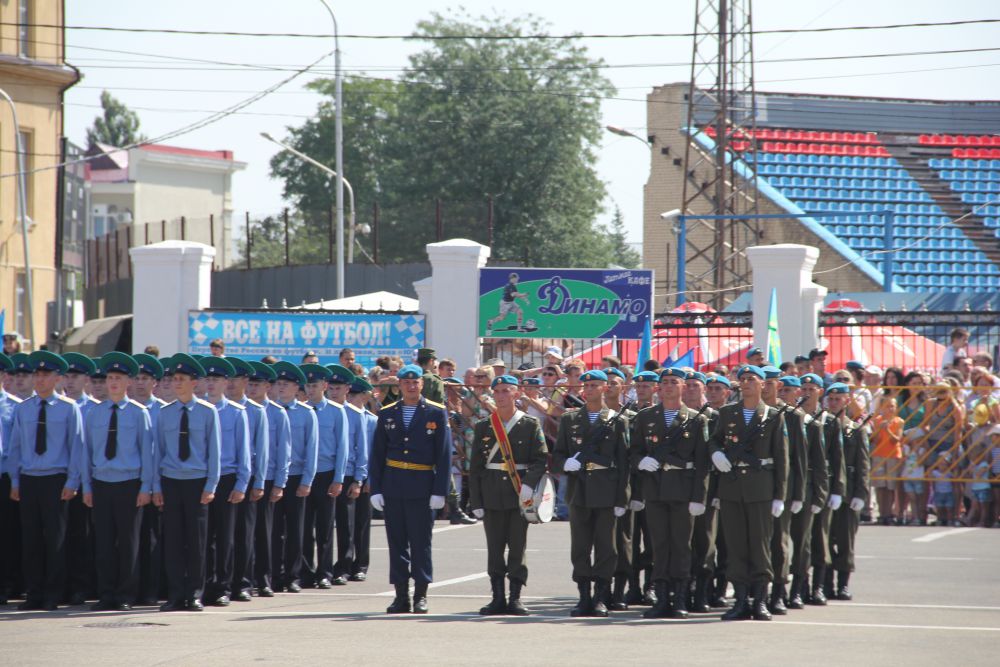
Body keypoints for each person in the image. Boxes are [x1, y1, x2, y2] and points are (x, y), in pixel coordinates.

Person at [369, 364, 452, 614]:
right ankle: (401, 595)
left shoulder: (436, 412)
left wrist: (440, 491)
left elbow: (444, 455)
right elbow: (378, 454)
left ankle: (421, 595)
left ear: (422, 385)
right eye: (406, 382)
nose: (411, 385)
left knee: (420, 543)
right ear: (400, 385)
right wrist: (376, 488)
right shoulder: (387, 413)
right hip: (394, 484)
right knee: (396, 543)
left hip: (422, 484)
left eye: (415, 382)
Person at [708, 364, 788, 622]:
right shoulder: (728, 412)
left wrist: (780, 495)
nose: (745, 383)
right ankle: (741, 600)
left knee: (760, 545)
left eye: (751, 379)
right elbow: (714, 439)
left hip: (760, 488)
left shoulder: (774, 415)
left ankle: (760, 600)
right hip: (732, 487)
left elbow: (782, 457)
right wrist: (716, 453)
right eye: (742, 379)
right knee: (735, 546)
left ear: (763, 384)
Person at [6, 351, 86, 611]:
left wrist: (73, 481)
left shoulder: (68, 408)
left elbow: (76, 447)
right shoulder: (24, 408)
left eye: (46, 375)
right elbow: (15, 446)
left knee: (55, 539)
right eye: (37, 375)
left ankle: (53, 593)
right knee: (31, 540)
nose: (40, 380)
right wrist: (15, 480)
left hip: (56, 479)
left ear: (57, 378)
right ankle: (34, 592)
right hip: (29, 479)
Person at [631, 368, 710, 619]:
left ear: (683, 387)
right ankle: (662, 598)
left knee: (681, 546)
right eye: (664, 382)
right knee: (659, 545)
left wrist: (699, 497)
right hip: (655, 489)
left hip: (683, 490)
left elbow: (702, 463)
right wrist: (641, 461)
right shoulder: (645, 417)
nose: (668, 386)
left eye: (673, 382)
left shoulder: (696, 420)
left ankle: (680, 597)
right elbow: (633, 451)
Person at [79, 352, 153, 612]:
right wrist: (87, 486)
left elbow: (147, 453)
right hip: (101, 483)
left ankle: (125, 594)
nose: (112, 382)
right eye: (109, 377)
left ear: (128, 383)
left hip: (129, 483)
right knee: (104, 543)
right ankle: (106, 593)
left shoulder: (139, 413)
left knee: (129, 542)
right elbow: (86, 452)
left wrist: (146, 487)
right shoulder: (94, 413)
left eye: (118, 378)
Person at [552, 369, 629, 618]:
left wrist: (622, 498)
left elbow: (624, 463)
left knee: (606, 547)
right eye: (587, 386)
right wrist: (566, 464)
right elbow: (558, 455)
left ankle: (600, 597)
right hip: (579, 490)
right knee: (580, 547)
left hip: (607, 490)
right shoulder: (570, 419)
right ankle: (584, 595)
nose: (590, 390)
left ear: (606, 388)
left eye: (595, 385)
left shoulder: (617, 420)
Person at [468, 375, 548, 616]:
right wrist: (477, 501)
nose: (501, 396)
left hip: (518, 493)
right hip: (492, 493)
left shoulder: (529, 424)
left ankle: (515, 598)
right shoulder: (485, 425)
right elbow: (476, 468)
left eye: (506, 391)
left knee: (517, 547)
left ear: (516, 394)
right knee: (494, 548)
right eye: (498, 391)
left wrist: (529, 484)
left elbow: (541, 458)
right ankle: (497, 598)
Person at [153, 354, 221, 612]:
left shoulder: (207, 412)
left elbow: (214, 451)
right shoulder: (165, 412)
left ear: (195, 383)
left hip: (197, 482)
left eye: (182, 379)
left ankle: (194, 593)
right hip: (171, 481)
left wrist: (211, 486)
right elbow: (157, 451)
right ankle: (175, 594)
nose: (177, 383)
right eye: (174, 379)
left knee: (196, 542)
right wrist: (156, 486)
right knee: (173, 541)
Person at [200, 356, 252, 607]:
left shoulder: (236, 412)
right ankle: (204, 585)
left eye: (216, 379)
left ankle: (223, 586)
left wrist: (242, 484)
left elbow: (244, 451)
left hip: (227, 478)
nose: (211, 383)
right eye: (208, 378)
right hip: (201, 479)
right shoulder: (197, 409)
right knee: (203, 537)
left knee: (225, 537)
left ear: (225, 383)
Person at [269, 361, 318, 594]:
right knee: (274, 529)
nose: (281, 387)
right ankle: (275, 575)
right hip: (274, 478)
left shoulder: (307, 413)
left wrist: (307, 481)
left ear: (296, 387)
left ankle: (292, 576)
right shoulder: (269, 410)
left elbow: (312, 449)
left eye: (286, 384)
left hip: (297, 477)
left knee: (296, 531)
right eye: (278, 383)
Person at [761, 368, 807, 616]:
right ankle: (757, 592)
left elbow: (798, 459)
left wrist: (797, 494)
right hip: (757, 487)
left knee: (779, 543)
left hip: (782, 489)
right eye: (763, 382)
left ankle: (778, 592)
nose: (766, 387)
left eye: (770, 383)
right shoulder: (753, 412)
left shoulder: (791, 415)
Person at [300, 364, 349, 590]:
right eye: (308, 385)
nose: (310, 390)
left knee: (325, 528)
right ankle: (306, 571)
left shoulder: (336, 411)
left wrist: (338, 478)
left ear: (325, 386)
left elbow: (342, 447)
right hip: (304, 475)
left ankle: (325, 572)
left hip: (327, 474)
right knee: (304, 526)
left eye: (315, 385)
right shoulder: (301, 410)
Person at [225, 357, 269, 603]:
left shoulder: (255, 410)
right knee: (220, 536)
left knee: (244, 534)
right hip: (221, 477)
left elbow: (261, 450)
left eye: (236, 379)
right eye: (227, 379)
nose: (230, 384)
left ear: (245, 381)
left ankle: (242, 583)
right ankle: (220, 581)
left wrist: (259, 482)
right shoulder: (215, 407)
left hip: (247, 478)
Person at [783, 375, 828, 610]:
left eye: (792, 391)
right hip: (781, 491)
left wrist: (819, 495)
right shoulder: (778, 420)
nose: (786, 395)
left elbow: (820, 463)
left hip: (805, 490)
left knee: (802, 544)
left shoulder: (811, 424)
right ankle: (779, 590)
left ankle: (799, 588)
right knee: (777, 544)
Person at [246, 361, 291, 597]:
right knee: (242, 533)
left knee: (265, 532)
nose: (252, 389)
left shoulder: (276, 412)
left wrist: (280, 483)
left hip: (267, 478)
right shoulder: (241, 409)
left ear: (267, 386)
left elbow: (284, 450)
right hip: (242, 477)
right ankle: (244, 578)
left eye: (257, 384)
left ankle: (263, 579)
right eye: (249, 384)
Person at [825, 383, 870, 601]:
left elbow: (863, 465)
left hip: (849, 492)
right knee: (823, 541)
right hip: (826, 490)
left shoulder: (855, 429)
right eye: (830, 399)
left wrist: (861, 494)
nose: (833, 403)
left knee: (845, 541)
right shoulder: (820, 426)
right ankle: (825, 584)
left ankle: (842, 584)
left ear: (847, 401)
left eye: (838, 399)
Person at [129, 353, 167, 606]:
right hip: (130, 481)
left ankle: (152, 589)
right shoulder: (127, 408)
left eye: (146, 378)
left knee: (152, 538)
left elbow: (162, 451)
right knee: (129, 539)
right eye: (138, 378)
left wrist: (156, 487)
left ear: (155, 383)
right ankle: (131, 588)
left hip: (156, 483)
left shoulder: (163, 410)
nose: (141, 383)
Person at [326, 364, 368, 586]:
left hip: (349, 473)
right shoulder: (321, 410)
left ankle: (344, 566)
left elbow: (361, 450)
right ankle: (322, 568)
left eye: (338, 388)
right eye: (330, 388)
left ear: (347, 390)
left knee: (346, 524)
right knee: (323, 526)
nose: (334, 392)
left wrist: (359, 479)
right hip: (325, 473)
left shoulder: (355, 415)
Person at [344, 377, 377, 581]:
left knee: (362, 523)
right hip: (347, 473)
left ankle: (361, 564)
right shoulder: (344, 415)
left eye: (355, 395)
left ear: (365, 397)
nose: (350, 398)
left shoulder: (372, 420)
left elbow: (375, 452)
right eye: (350, 394)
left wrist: (371, 479)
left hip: (365, 477)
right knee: (346, 523)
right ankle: (345, 563)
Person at [0, 353, 24, 605]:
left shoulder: (15, 406)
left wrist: (15, 480)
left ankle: (6, 585)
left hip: (4, 475)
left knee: (6, 534)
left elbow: (17, 446)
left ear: (4, 377)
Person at [870, 397, 904, 525]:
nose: (890, 409)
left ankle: (889, 513)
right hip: (879, 455)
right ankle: (882, 513)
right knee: (880, 486)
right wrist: (879, 428)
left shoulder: (898, 421)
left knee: (890, 486)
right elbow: (876, 440)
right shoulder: (877, 421)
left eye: (892, 406)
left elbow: (896, 439)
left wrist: (888, 429)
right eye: (887, 406)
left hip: (893, 455)